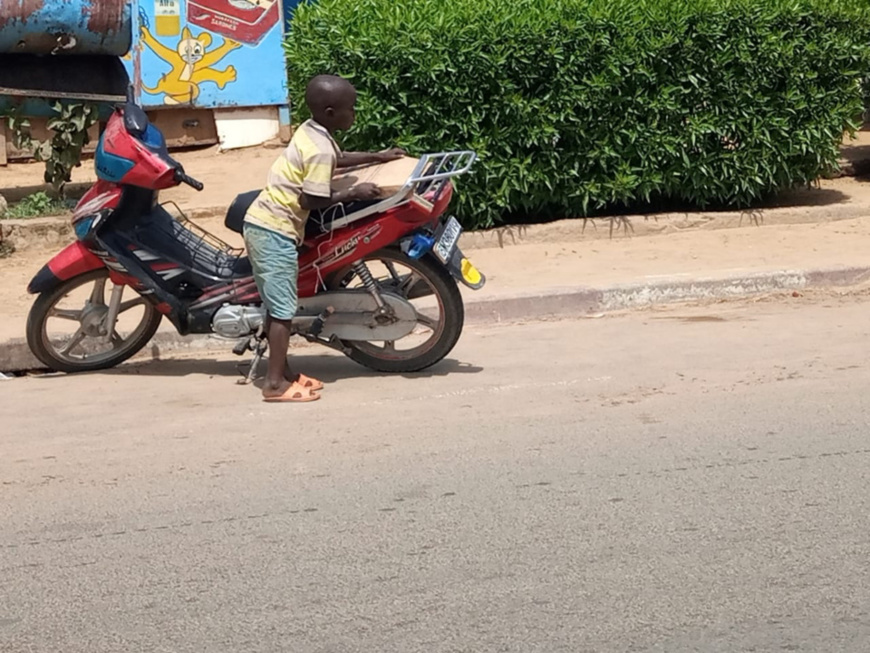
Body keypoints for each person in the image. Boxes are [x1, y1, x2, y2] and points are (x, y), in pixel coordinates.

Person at [243, 74, 405, 402]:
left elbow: (338, 159)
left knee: (279, 306)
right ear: (331, 112)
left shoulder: (313, 130)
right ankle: (274, 384)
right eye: (351, 109)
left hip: (271, 225)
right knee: (283, 309)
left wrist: (378, 155)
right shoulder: (317, 148)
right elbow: (310, 200)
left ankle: (284, 373)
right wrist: (354, 192)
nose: (355, 114)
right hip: (273, 230)